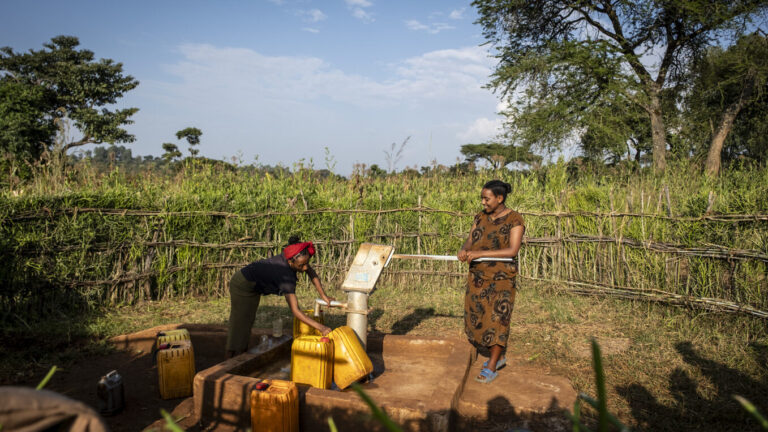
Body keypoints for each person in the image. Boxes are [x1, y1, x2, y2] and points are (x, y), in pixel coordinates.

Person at [458, 180, 525, 384]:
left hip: (501, 279)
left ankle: (492, 364)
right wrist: (464, 249)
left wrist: (480, 253)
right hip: (478, 277)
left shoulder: (515, 220)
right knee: (477, 317)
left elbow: (513, 250)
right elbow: (471, 238)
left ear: (499, 198)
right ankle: (498, 355)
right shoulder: (480, 217)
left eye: (486, 198)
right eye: (482, 198)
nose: (483, 202)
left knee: (498, 319)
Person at [226, 235, 334, 358]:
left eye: (306, 263)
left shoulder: (295, 258)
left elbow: (311, 272)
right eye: (301, 265)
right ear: (290, 262)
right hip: (243, 284)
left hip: (254, 285)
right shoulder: (285, 276)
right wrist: (321, 327)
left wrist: (324, 295)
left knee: (247, 320)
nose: (304, 268)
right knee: (239, 321)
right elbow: (295, 310)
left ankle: (240, 353)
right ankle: (229, 359)